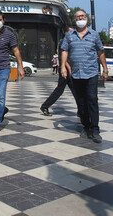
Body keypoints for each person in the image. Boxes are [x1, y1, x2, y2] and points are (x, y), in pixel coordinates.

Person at [60, 11, 108, 143]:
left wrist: (105, 69)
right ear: (75, 20)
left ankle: (95, 129)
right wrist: (63, 67)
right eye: (78, 16)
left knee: (92, 100)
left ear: (86, 18)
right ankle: (86, 126)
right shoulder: (70, 35)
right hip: (76, 73)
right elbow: (64, 51)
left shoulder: (94, 34)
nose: (80, 18)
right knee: (81, 102)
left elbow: (100, 52)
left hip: (91, 73)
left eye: (83, 16)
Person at [40, 26, 76, 116]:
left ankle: (82, 110)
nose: (73, 34)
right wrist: (69, 68)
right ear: (65, 33)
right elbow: (63, 57)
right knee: (61, 89)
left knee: (75, 90)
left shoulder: (71, 41)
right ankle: (45, 106)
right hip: (65, 70)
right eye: (70, 32)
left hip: (70, 69)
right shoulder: (64, 42)